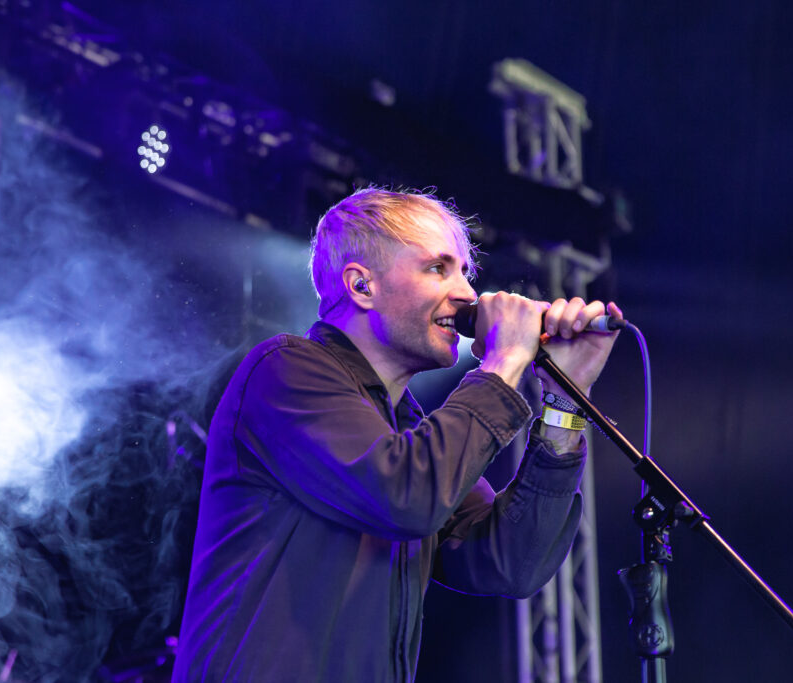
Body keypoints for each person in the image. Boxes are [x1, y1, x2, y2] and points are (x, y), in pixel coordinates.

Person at [172, 188, 623, 682]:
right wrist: (502, 364)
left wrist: (564, 402)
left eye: (465, 273)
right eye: (438, 268)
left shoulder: (406, 429)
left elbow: (508, 562)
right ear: (362, 286)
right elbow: (403, 496)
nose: (468, 294)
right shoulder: (284, 371)